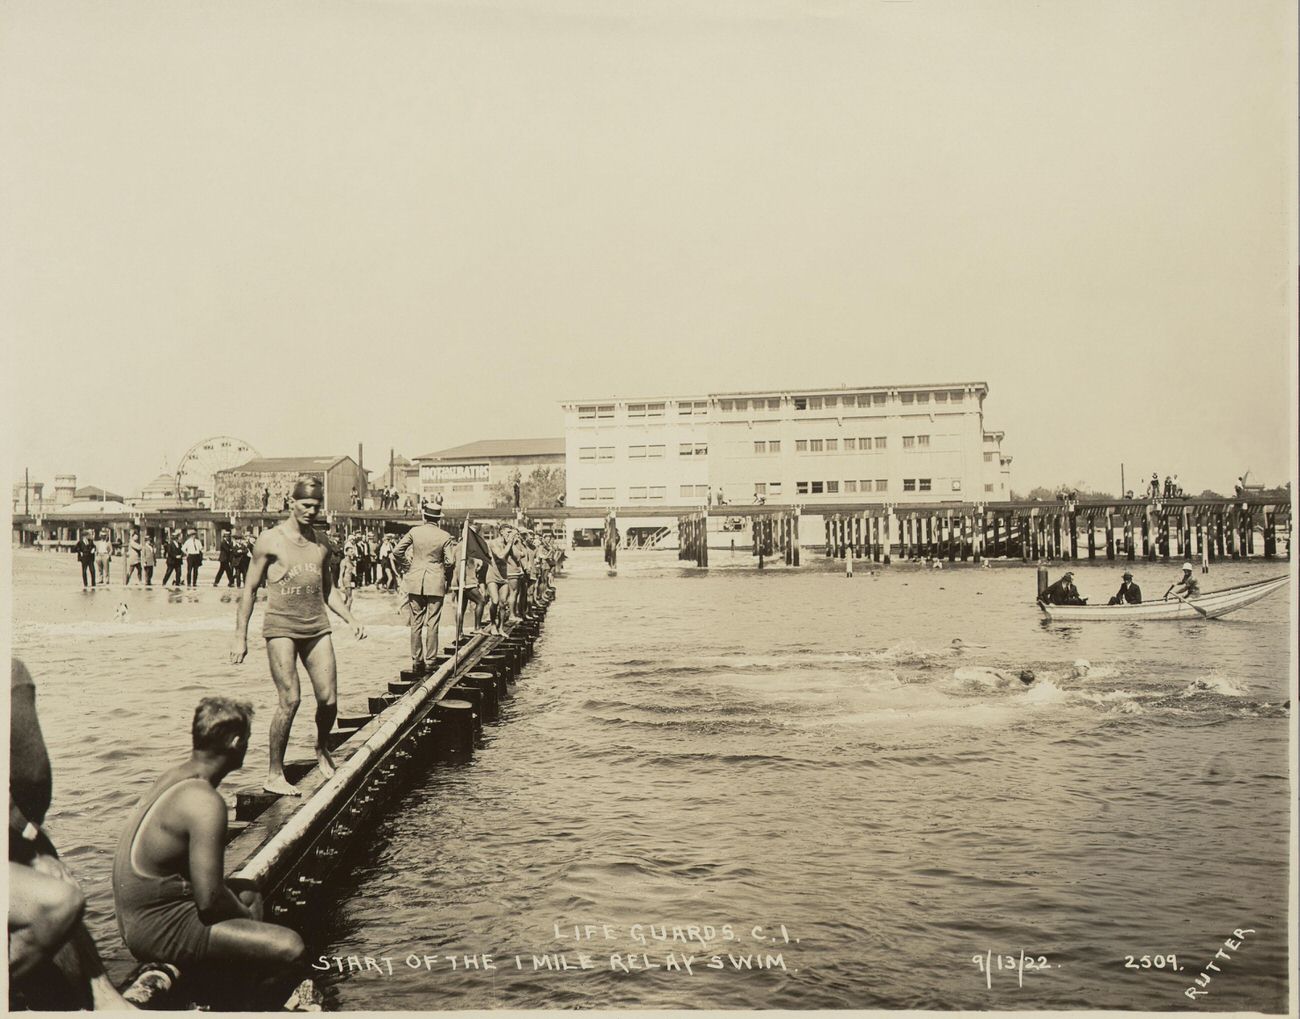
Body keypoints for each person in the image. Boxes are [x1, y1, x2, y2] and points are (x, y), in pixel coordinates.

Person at [112, 697, 304, 971]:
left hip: (135, 922)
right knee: (291, 947)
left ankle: (242, 979)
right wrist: (245, 918)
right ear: (237, 743)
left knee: (249, 891)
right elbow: (210, 899)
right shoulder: (204, 801)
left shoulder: (174, 777)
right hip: (158, 930)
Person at [9, 659, 135, 1010]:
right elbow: (32, 774)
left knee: (41, 858)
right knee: (56, 888)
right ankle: (102, 1001)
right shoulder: (10, 671)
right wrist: (29, 836)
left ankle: (102, 1000)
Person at [231, 477, 366, 796]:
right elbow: (249, 589)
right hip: (281, 629)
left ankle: (322, 748)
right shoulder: (269, 540)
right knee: (290, 699)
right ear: (292, 502)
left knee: (329, 700)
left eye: (316, 506)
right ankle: (274, 774)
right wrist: (240, 636)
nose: (311, 511)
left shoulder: (322, 542)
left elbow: (328, 590)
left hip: (316, 626)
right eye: (305, 505)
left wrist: (351, 618)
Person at [392, 499, 454, 675]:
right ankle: (431, 661)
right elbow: (451, 561)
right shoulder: (445, 536)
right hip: (435, 581)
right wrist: (441, 568)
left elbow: (397, 552)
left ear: (424, 516)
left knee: (415, 623)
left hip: (415, 580)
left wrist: (407, 564)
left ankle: (416, 661)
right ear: (438, 519)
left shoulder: (414, 531)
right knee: (433, 622)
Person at [484, 525, 512, 635]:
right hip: (492, 575)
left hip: (504, 576)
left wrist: (514, 543)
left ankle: (501, 628)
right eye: (508, 532)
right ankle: (492, 624)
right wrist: (509, 544)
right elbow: (500, 555)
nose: (509, 535)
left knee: (503, 603)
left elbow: (518, 557)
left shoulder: (509, 544)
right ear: (501, 532)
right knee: (494, 601)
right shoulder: (493, 543)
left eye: (511, 533)